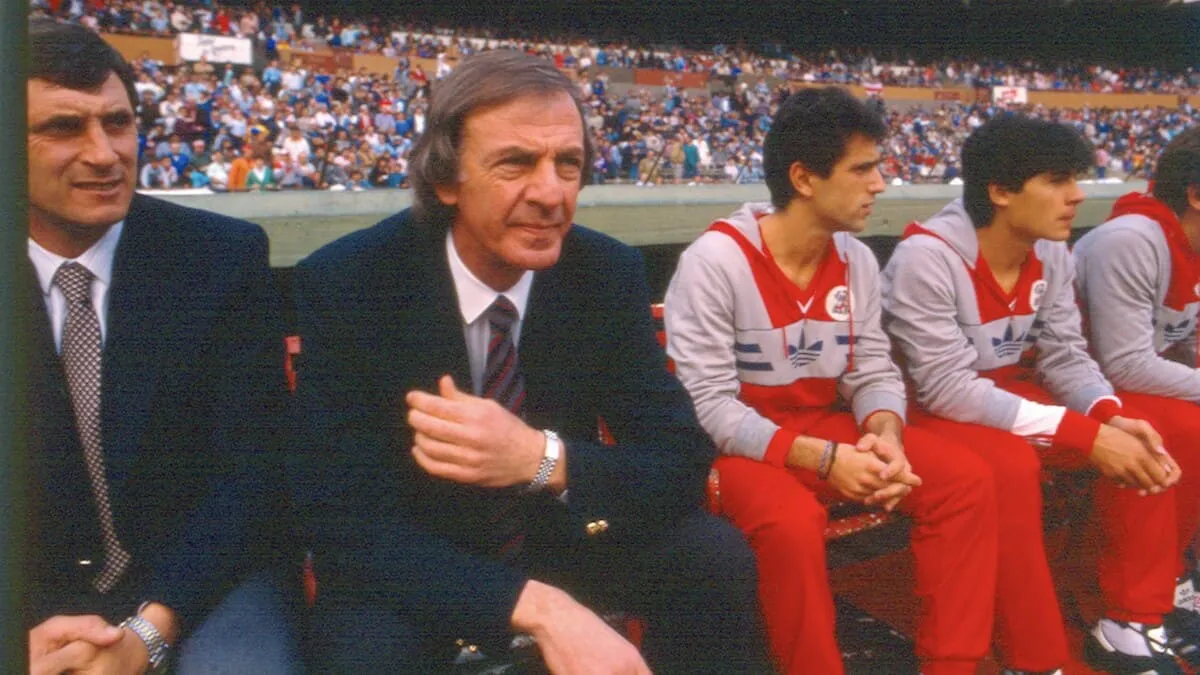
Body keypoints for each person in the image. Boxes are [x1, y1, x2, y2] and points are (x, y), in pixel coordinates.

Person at [291, 49, 769, 674]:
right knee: (363, 652)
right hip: (417, 565)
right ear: (445, 179)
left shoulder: (604, 272)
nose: (550, 194)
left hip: (562, 539)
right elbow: (339, 518)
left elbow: (678, 457)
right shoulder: (351, 281)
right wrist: (536, 608)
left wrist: (542, 459)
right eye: (517, 163)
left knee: (713, 555)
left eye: (567, 164)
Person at [664, 86, 1000, 675]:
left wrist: (886, 434)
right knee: (791, 523)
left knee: (964, 481)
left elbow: (871, 369)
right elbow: (708, 408)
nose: (880, 184)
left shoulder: (857, 259)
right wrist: (823, 459)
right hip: (734, 449)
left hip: (824, 428)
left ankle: (954, 663)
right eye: (863, 168)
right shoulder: (714, 262)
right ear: (803, 178)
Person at [23, 19, 302, 675]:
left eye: (117, 123)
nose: (105, 153)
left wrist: (148, 632)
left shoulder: (221, 258)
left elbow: (255, 475)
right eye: (65, 127)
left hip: (203, 579)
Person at [881, 114, 1198, 675]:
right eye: (1056, 180)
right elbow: (947, 389)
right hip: (929, 411)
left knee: (1154, 431)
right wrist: (1085, 433)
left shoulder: (1050, 250)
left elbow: (1066, 358)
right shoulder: (926, 258)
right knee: (1007, 469)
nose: (1076, 196)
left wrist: (1108, 415)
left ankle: (1130, 616)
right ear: (1000, 192)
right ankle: (1034, 656)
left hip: (1004, 395)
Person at [1073, 125, 1200, 663]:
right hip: (1074, 383)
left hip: (1125, 379)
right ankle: (1125, 613)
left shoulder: (1188, 240)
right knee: (1170, 430)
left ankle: (1172, 576)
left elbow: (1184, 342)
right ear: (1195, 192)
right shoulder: (1132, 239)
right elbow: (1121, 362)